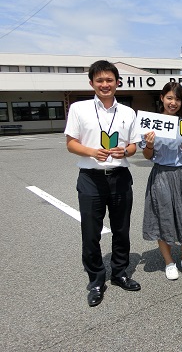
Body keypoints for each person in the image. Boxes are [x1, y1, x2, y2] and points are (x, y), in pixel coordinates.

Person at [65, 60, 141, 307]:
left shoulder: (128, 112)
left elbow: (133, 144)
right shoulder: (79, 109)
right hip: (91, 178)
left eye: (109, 80)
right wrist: (91, 152)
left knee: (121, 230)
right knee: (90, 232)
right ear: (92, 83)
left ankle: (119, 273)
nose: (105, 84)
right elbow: (71, 143)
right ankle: (96, 280)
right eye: (100, 80)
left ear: (117, 82)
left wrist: (125, 152)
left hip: (119, 177)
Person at [142, 81, 182, 281]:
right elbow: (147, 156)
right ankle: (169, 262)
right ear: (162, 98)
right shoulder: (152, 123)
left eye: (177, 99)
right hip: (160, 175)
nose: (173, 102)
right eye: (169, 98)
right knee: (162, 217)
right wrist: (149, 145)